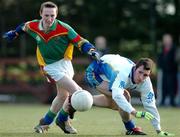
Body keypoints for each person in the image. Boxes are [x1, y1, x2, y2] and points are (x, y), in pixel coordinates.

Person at [3, 1, 99, 134]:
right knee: (78, 92)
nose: (49, 19)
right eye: (46, 15)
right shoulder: (34, 25)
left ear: (56, 15)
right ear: (41, 14)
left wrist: (91, 50)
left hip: (65, 63)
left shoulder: (64, 28)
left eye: (52, 16)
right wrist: (14, 33)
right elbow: (23, 27)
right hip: (49, 67)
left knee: (62, 96)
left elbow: (80, 41)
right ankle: (63, 119)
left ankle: (44, 124)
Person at [85, 54, 174, 136]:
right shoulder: (122, 72)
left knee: (115, 103)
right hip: (95, 72)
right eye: (140, 72)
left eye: (145, 75)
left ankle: (80, 100)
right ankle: (130, 128)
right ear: (135, 68)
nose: (141, 78)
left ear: (149, 75)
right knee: (122, 97)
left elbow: (150, 105)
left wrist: (159, 130)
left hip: (110, 73)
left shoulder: (146, 83)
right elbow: (117, 95)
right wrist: (134, 112)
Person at [157, 34, 178, 107]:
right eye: (165, 39)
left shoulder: (174, 48)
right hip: (164, 71)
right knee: (164, 86)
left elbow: (176, 60)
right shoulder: (162, 48)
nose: (166, 41)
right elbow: (159, 58)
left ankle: (172, 102)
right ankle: (162, 101)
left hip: (172, 71)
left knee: (172, 87)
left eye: (168, 39)